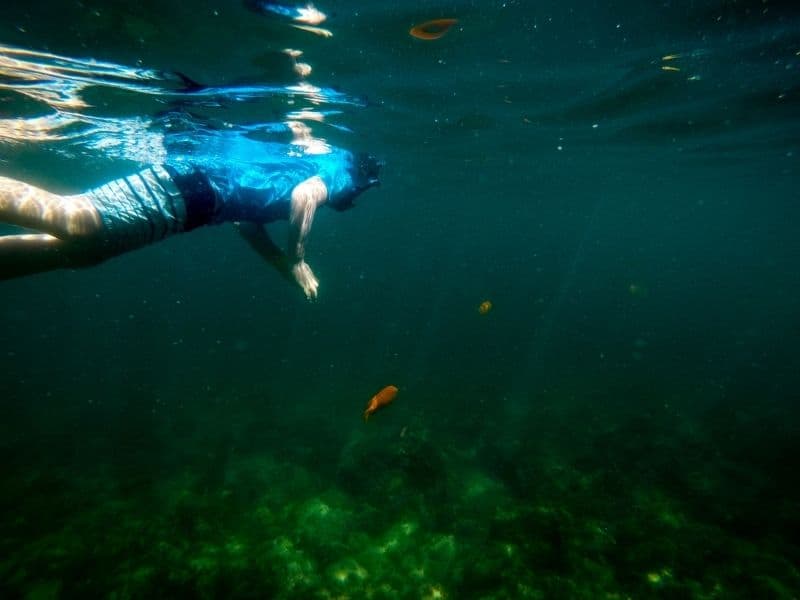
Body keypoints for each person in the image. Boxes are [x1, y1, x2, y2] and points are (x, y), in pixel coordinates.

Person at [0, 123, 382, 298]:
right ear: (362, 179)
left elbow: (246, 224)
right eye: (362, 193)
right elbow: (304, 196)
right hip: (190, 187)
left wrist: (281, 263)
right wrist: (297, 259)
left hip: (192, 204)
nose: (354, 201)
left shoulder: (313, 167)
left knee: (85, 252)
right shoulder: (343, 172)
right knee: (77, 218)